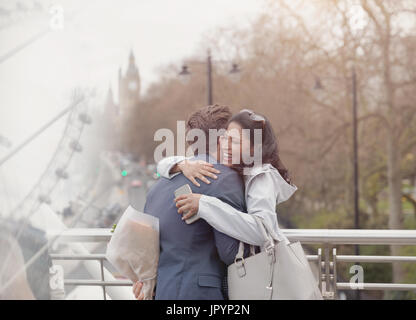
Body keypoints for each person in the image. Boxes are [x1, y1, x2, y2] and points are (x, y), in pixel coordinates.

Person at [133, 105, 251, 300]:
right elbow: (230, 252)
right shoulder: (225, 179)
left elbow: (149, 249)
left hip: (164, 292)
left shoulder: (158, 187)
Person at [158, 109, 298, 247]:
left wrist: (204, 205)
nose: (226, 147)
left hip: (263, 267)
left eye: (235, 142)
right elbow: (161, 165)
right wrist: (182, 165)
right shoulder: (232, 169)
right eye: (226, 138)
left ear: (255, 149)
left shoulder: (261, 176)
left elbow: (263, 232)